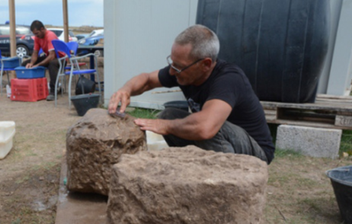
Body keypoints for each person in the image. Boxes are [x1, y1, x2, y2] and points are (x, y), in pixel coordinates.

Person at [108, 24, 275, 164]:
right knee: (169, 115)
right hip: (224, 141)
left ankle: (224, 180)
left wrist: (164, 126)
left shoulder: (229, 79)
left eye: (178, 66)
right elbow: (147, 80)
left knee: (207, 126)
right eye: (171, 62)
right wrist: (126, 89)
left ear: (205, 64)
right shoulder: (184, 71)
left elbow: (205, 128)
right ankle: (193, 170)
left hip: (255, 152)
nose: (172, 72)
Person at [22, 20, 63, 101]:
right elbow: (35, 53)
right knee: (25, 63)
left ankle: (53, 91)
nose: (36, 35)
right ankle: (31, 89)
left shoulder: (50, 36)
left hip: (61, 58)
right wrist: (31, 63)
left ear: (42, 29)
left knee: (52, 63)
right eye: (34, 34)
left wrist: (38, 65)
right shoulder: (37, 37)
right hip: (50, 56)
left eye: (37, 33)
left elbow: (52, 56)